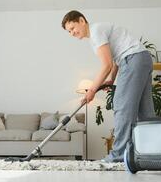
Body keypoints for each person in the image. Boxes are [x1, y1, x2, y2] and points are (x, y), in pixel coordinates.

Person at [61, 10, 155, 163]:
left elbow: (106, 65)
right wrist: (111, 80)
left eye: (72, 28)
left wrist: (91, 90)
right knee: (145, 112)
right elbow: (115, 60)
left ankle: (118, 156)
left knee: (122, 106)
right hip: (142, 58)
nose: (72, 33)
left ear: (82, 21)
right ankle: (151, 154)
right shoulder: (99, 32)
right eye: (69, 31)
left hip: (132, 60)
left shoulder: (96, 31)